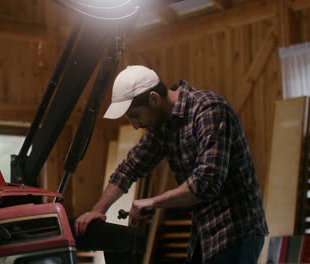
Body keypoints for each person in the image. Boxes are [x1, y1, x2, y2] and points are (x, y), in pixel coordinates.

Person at [74, 65, 268, 264]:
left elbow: (207, 183)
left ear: (154, 99)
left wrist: (153, 202)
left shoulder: (209, 109)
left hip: (236, 230)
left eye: (135, 116)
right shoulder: (162, 127)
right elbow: (129, 168)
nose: (135, 125)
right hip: (203, 233)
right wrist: (98, 210)